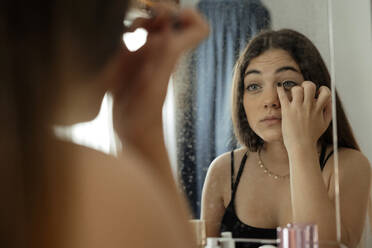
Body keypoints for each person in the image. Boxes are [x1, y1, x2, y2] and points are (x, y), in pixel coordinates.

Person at [1, 0, 209, 247]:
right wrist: (146, 137)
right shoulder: (81, 187)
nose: (123, 51)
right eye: (120, 30)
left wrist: (141, 127)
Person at [201, 29, 371, 248]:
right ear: (240, 100)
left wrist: (301, 144)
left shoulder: (349, 165)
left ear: (317, 93)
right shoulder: (224, 170)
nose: (270, 100)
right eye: (254, 86)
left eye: (287, 84)